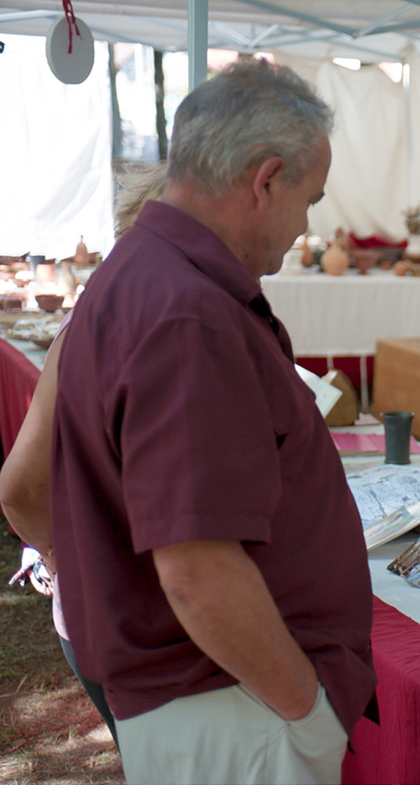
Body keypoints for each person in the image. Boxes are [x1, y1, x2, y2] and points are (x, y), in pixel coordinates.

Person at [47, 58, 376, 784]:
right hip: (234, 707)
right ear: (266, 181)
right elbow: (197, 568)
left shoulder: (148, 271)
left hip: (221, 697)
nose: (306, 227)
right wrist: (306, 711)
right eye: (309, 200)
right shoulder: (186, 314)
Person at [0, 162, 169, 749]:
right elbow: (19, 489)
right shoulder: (130, 323)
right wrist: (66, 556)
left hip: (114, 613)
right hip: (133, 622)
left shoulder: (115, 314)